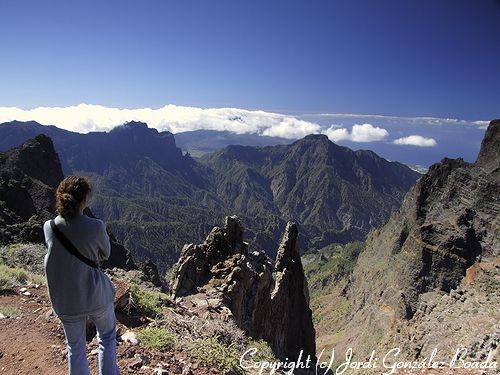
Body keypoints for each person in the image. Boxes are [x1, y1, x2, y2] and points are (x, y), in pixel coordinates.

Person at [43, 176, 119, 375]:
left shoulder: (49, 227)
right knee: (107, 337)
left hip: (65, 300)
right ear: (84, 199)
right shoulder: (96, 226)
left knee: (75, 348)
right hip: (95, 294)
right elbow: (106, 253)